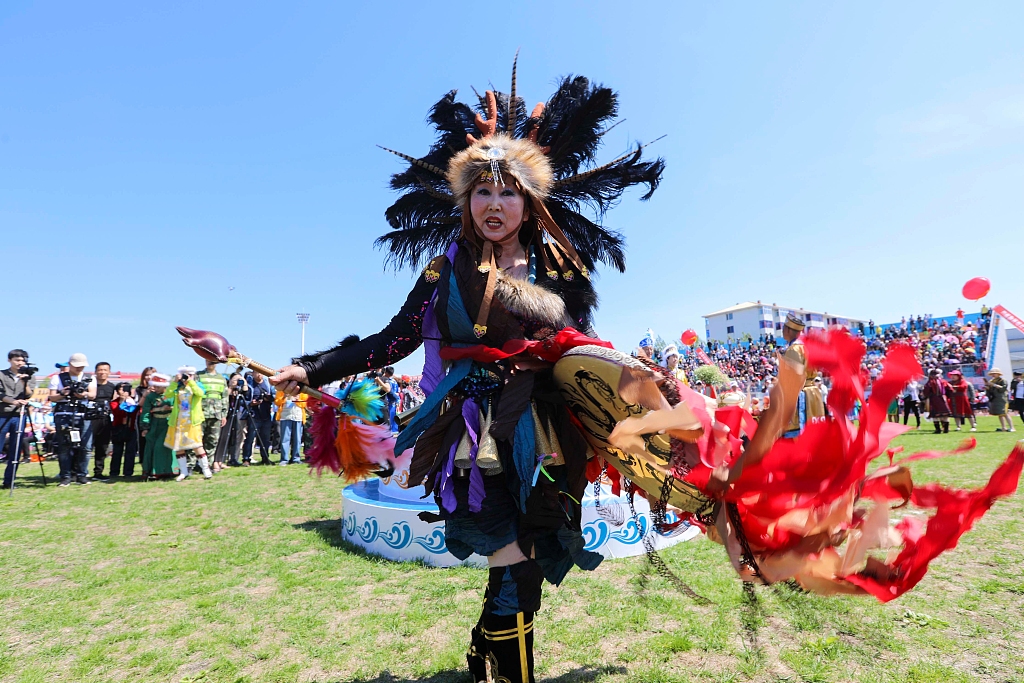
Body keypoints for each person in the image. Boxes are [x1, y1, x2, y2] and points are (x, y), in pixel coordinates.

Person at [271, 67, 665, 682]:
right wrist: (311, 365)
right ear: (466, 200)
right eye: (483, 192)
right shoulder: (443, 270)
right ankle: (507, 673)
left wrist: (628, 377)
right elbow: (392, 340)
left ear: (528, 202)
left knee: (526, 557)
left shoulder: (557, 265)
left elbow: (581, 346)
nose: (495, 204)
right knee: (507, 555)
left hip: (548, 431)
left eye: (508, 193)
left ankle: (486, 652)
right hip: (473, 433)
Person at [50, 353, 97, 486]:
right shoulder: (58, 378)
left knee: (86, 446)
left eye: (82, 366)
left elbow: (93, 394)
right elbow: (52, 397)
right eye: (77, 366)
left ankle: (82, 475)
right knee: (64, 446)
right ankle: (65, 476)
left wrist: (84, 394)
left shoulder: (89, 378)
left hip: (83, 414)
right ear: (69, 364)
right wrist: (62, 393)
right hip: (64, 414)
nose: (79, 368)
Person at [165, 366, 212, 480]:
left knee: (197, 445)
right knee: (179, 446)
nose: (186, 377)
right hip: (179, 420)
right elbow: (167, 395)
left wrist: (191, 382)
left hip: (192, 421)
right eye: (184, 375)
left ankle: (206, 470)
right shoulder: (178, 387)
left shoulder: (197, 385)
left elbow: (200, 393)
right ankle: (183, 472)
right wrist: (175, 382)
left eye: (189, 375)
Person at [1, 349, 33, 488]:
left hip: (20, 415)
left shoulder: (28, 375)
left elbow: (29, 394)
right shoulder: (1, 375)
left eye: (22, 360)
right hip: (3, 414)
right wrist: (12, 401)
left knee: (16, 448)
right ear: (10, 360)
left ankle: (9, 481)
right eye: (17, 360)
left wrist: (23, 381)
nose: (20, 363)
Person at [140, 373, 177, 479]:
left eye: (157, 386)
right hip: (154, 424)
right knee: (150, 446)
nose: (154, 388)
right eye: (154, 386)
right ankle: (150, 471)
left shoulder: (172, 395)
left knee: (160, 446)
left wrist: (170, 408)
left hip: (168, 424)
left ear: (164, 386)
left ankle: (164, 471)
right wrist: (145, 426)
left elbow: (179, 407)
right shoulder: (151, 396)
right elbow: (146, 411)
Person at [195, 360, 229, 473]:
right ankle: (194, 464)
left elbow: (224, 397)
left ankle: (208, 465)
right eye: (208, 360)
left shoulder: (221, 378)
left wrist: (224, 414)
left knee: (212, 441)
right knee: (197, 440)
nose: (210, 363)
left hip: (216, 414)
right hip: (201, 413)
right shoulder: (198, 376)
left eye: (213, 361)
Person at [90, 361, 116, 480]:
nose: (102, 372)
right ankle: (80, 472)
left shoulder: (112, 387)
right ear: (95, 372)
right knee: (86, 446)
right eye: (100, 370)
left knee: (102, 446)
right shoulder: (90, 385)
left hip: (105, 419)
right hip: (90, 418)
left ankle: (98, 472)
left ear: (109, 372)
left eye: (105, 370)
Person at [242, 371, 273, 466]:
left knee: (266, 439)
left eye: (260, 372)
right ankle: (246, 459)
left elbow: (274, 398)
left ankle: (265, 458)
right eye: (256, 373)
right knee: (250, 438)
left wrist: (269, 399)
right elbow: (243, 400)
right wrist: (251, 403)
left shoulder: (268, 384)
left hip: (266, 415)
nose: (259, 374)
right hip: (254, 415)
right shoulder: (249, 385)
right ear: (253, 374)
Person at [109, 382, 139, 477]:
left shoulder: (133, 401)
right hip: (118, 428)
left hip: (131, 428)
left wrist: (129, 401)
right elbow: (117, 413)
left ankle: (128, 472)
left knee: (130, 451)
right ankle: (114, 472)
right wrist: (122, 401)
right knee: (117, 451)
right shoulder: (114, 402)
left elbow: (134, 412)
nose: (123, 391)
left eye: (125, 389)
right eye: (121, 389)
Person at [275, 388, 307, 465]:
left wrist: (298, 399)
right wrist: (284, 397)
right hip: (285, 416)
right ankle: (284, 459)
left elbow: (305, 403)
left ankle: (296, 458)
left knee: (297, 439)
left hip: (298, 416)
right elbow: (277, 402)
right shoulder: (281, 390)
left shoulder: (302, 391)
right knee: (285, 439)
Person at [921, 368, 952, 434]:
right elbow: (950, 389)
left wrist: (925, 396)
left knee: (935, 415)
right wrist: (947, 396)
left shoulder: (929, 383)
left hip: (934, 399)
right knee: (945, 415)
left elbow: (926, 391)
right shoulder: (943, 381)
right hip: (943, 399)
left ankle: (938, 430)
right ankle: (946, 429)